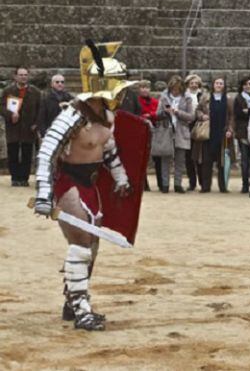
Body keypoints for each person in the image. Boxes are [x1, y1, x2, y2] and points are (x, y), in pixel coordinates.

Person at [33, 82, 133, 331]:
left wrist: (120, 177)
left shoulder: (107, 117)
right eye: (118, 88)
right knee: (81, 245)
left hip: (91, 185)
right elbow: (47, 152)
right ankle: (82, 310)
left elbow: (108, 151)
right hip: (69, 184)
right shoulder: (72, 115)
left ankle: (72, 302)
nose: (122, 95)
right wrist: (44, 193)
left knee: (92, 247)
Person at [1, 67, 42, 186]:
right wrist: (10, 114)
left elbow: (40, 109)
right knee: (13, 153)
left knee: (27, 154)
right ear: (15, 77)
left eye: (25, 75)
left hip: (29, 128)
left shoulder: (35, 92)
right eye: (21, 75)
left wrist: (36, 123)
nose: (23, 77)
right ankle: (15, 178)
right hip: (13, 127)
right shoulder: (8, 91)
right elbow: (1, 106)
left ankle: (24, 179)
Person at [194, 78, 234, 193]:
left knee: (222, 162)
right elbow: (198, 110)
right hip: (208, 133)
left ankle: (223, 186)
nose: (219, 85)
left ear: (224, 85)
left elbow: (232, 116)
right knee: (206, 161)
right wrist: (202, 116)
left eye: (221, 83)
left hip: (222, 133)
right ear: (213, 85)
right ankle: (205, 186)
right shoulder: (205, 98)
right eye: (217, 83)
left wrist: (230, 129)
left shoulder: (229, 99)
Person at [156, 75, 195, 193]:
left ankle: (178, 184)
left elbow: (191, 116)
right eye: (173, 89)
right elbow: (157, 114)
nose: (175, 91)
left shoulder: (187, 98)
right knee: (165, 158)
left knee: (180, 159)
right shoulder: (163, 97)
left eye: (177, 89)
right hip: (166, 130)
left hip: (181, 131)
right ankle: (165, 184)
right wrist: (165, 112)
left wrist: (178, 112)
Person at [233, 77, 250, 194]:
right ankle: (245, 185)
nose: (248, 86)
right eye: (246, 84)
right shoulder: (238, 98)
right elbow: (238, 114)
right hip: (243, 132)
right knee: (245, 161)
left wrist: (248, 111)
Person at [136, 80, 161, 192]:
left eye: (147, 87)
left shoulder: (155, 102)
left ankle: (161, 183)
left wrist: (150, 115)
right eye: (142, 87)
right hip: (140, 131)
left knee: (157, 158)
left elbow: (159, 114)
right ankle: (144, 184)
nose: (145, 89)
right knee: (142, 160)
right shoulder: (136, 101)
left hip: (155, 131)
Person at [184, 74, 203, 191]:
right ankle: (192, 182)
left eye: (196, 83)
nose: (194, 85)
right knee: (188, 156)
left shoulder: (203, 95)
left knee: (199, 155)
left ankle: (202, 182)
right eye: (192, 83)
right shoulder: (184, 95)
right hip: (186, 125)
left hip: (199, 125)